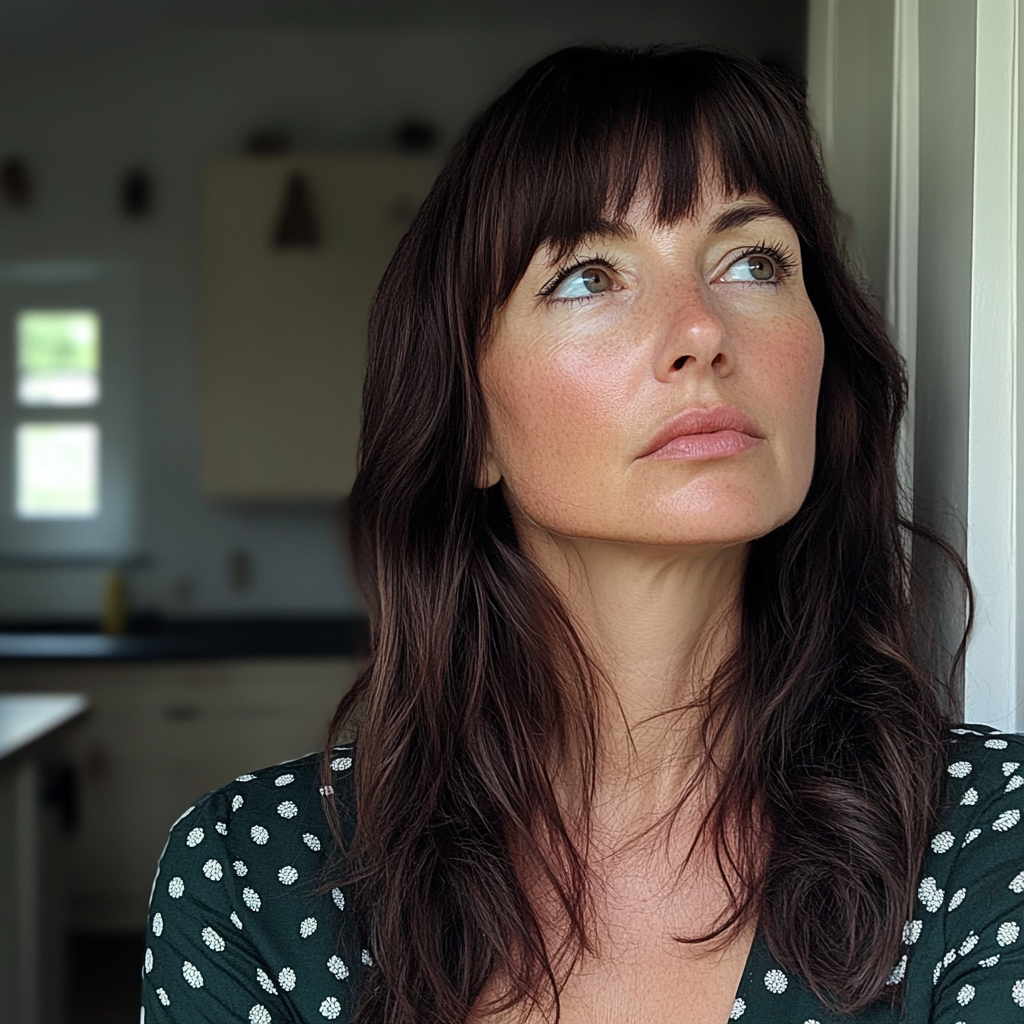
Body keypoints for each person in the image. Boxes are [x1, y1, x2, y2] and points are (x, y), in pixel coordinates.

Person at [141, 46, 1022, 1024]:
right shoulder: (248, 878)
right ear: (470, 424)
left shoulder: (991, 840)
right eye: (588, 275)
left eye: (752, 260)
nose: (700, 329)